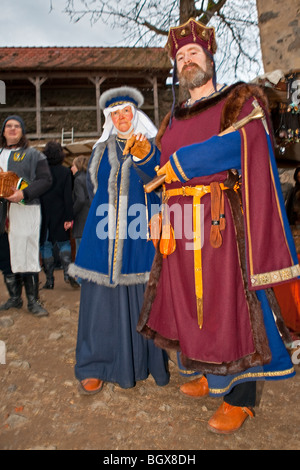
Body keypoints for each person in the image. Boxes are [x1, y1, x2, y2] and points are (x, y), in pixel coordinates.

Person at [125, 18, 298, 434]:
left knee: (230, 302)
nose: (187, 61)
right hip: (181, 223)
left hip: (222, 217)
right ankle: (208, 370)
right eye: (180, 57)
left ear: (209, 58)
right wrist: (145, 153)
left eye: (193, 53)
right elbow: (158, 170)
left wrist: (183, 164)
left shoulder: (238, 99)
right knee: (190, 299)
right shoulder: (174, 117)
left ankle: (240, 395)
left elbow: (245, 141)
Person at [69, 86, 170, 394]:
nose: (122, 117)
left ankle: (142, 364)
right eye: (116, 113)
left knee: (141, 301)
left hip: (139, 235)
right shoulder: (100, 150)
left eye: (127, 111)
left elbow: (162, 183)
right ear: (109, 118)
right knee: (100, 302)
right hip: (103, 237)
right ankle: (95, 365)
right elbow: (92, 185)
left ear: (135, 114)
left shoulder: (153, 146)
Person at [0, 115, 52, 316]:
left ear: (22, 131)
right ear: (3, 131)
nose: (12, 129)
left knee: (28, 253)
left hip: (25, 209)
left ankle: (33, 301)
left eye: (17, 126)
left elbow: (46, 180)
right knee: (5, 255)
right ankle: (14, 298)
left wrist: (24, 193)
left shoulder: (33, 155)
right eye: (8, 126)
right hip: (2, 213)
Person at [40, 141, 79, 289]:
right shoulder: (65, 172)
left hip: (43, 213)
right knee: (64, 244)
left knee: (46, 245)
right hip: (61, 213)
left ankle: (49, 281)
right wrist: (69, 217)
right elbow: (67, 197)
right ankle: (68, 274)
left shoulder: (41, 171)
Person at [70, 155, 91, 256]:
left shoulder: (78, 180)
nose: (71, 168)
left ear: (78, 166)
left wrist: (72, 213)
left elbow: (81, 199)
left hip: (81, 221)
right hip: (92, 220)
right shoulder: (91, 178)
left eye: (73, 165)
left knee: (80, 253)